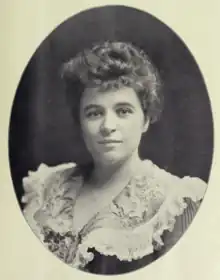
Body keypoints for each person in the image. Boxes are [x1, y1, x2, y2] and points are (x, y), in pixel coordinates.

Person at [21, 41, 207, 274]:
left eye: (123, 111)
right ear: (80, 122)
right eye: (94, 113)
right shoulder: (46, 187)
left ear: (146, 119)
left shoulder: (174, 204)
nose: (108, 126)